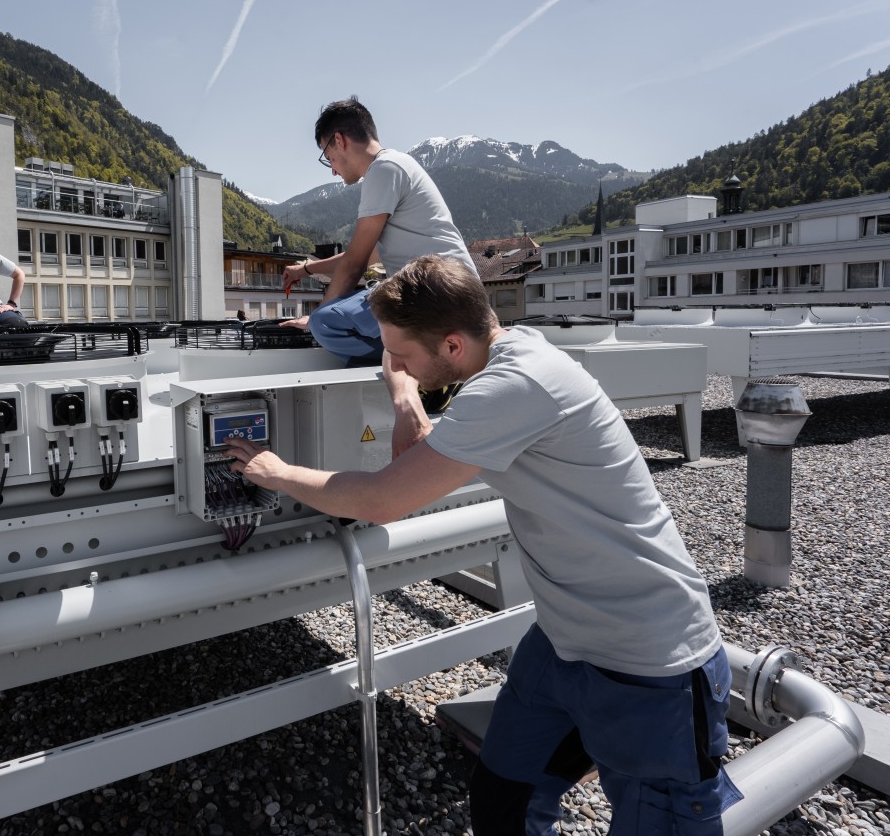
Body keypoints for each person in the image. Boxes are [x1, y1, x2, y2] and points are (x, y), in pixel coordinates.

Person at [225, 254, 742, 836]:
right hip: (564, 639)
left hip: (648, 662)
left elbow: (382, 499)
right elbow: (422, 444)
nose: (393, 364)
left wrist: (278, 473)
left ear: (452, 345)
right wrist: (404, 394)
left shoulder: (514, 386)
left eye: (402, 353)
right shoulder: (508, 357)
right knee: (503, 803)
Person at [281, 97, 476, 368]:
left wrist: (317, 320)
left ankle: (423, 361)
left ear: (339, 140)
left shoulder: (384, 169)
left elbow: (355, 264)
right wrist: (305, 269)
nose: (333, 170)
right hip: (452, 292)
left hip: (437, 294)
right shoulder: (395, 165)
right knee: (348, 309)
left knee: (326, 323)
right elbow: (366, 255)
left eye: (329, 158)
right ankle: (421, 354)